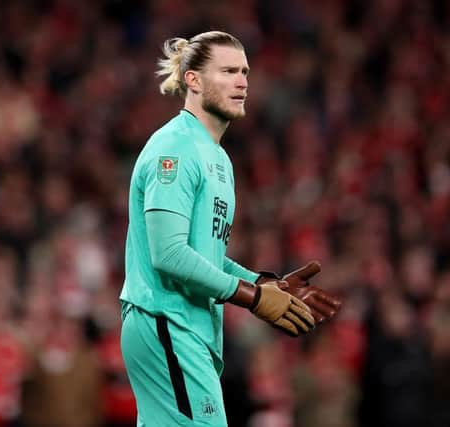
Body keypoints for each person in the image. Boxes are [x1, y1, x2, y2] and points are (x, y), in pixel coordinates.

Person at [119, 31, 341, 427]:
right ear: (194, 80)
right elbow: (168, 254)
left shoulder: (217, 158)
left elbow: (205, 255)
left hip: (186, 328)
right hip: (166, 320)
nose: (242, 81)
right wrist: (252, 297)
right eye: (228, 71)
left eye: (245, 72)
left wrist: (262, 282)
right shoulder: (175, 147)